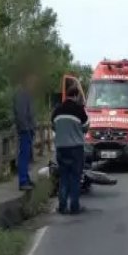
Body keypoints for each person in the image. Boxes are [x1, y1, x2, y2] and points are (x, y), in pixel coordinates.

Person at [51, 84, 89, 215]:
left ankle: (62, 206)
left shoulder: (57, 110)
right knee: (75, 177)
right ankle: (74, 207)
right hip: (76, 148)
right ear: (77, 95)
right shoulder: (79, 110)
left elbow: (53, 126)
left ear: (67, 95)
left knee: (64, 177)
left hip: (61, 148)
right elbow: (86, 126)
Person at [13, 73, 37, 191]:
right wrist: (26, 128)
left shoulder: (27, 94)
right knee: (24, 155)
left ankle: (26, 178)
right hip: (25, 130)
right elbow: (21, 114)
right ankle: (23, 181)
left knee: (27, 155)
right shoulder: (21, 94)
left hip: (28, 129)